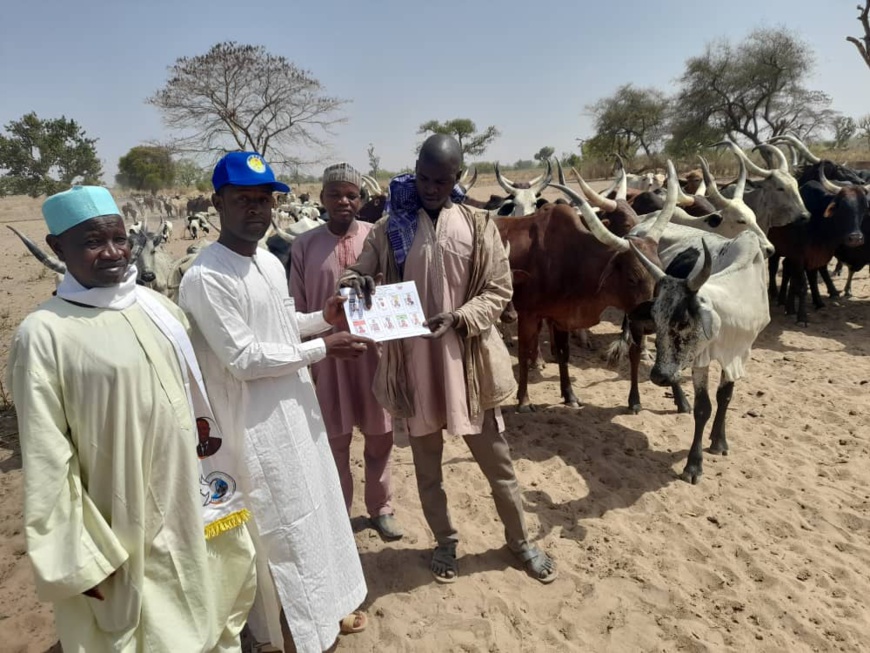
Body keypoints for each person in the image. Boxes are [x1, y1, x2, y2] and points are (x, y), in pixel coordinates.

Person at [6, 185, 257, 651]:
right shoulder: (42, 335)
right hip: (118, 522)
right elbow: (46, 460)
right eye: (92, 242)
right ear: (58, 247)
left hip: (192, 501)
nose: (113, 253)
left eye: (119, 238)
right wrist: (77, 558)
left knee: (213, 607)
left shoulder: (159, 308)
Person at [339, 135, 557, 585]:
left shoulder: (479, 225)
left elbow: (499, 291)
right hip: (415, 370)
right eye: (423, 178)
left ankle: (520, 543)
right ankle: (445, 542)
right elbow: (359, 269)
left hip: (470, 368)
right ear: (414, 170)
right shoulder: (389, 227)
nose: (430, 187)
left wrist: (460, 317)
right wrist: (355, 281)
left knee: (500, 469)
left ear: (457, 177)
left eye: (441, 180)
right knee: (428, 473)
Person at [179, 152, 372, 653]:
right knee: (279, 529)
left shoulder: (266, 259)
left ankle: (325, 613)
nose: (256, 210)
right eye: (243, 199)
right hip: (254, 426)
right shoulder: (207, 276)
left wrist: (323, 317)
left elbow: (279, 325)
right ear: (217, 202)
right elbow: (243, 358)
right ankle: (285, 633)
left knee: (316, 507)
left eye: (264, 199)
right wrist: (323, 346)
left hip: (294, 410)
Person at [289, 163, 402, 541]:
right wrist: (314, 356)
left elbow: (394, 296)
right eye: (335, 194)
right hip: (328, 359)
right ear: (321, 198)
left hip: (373, 356)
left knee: (380, 437)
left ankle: (381, 507)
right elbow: (299, 307)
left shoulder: (377, 237)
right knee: (335, 441)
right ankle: (340, 513)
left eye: (351, 195)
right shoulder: (304, 246)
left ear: (361, 200)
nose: (343, 201)